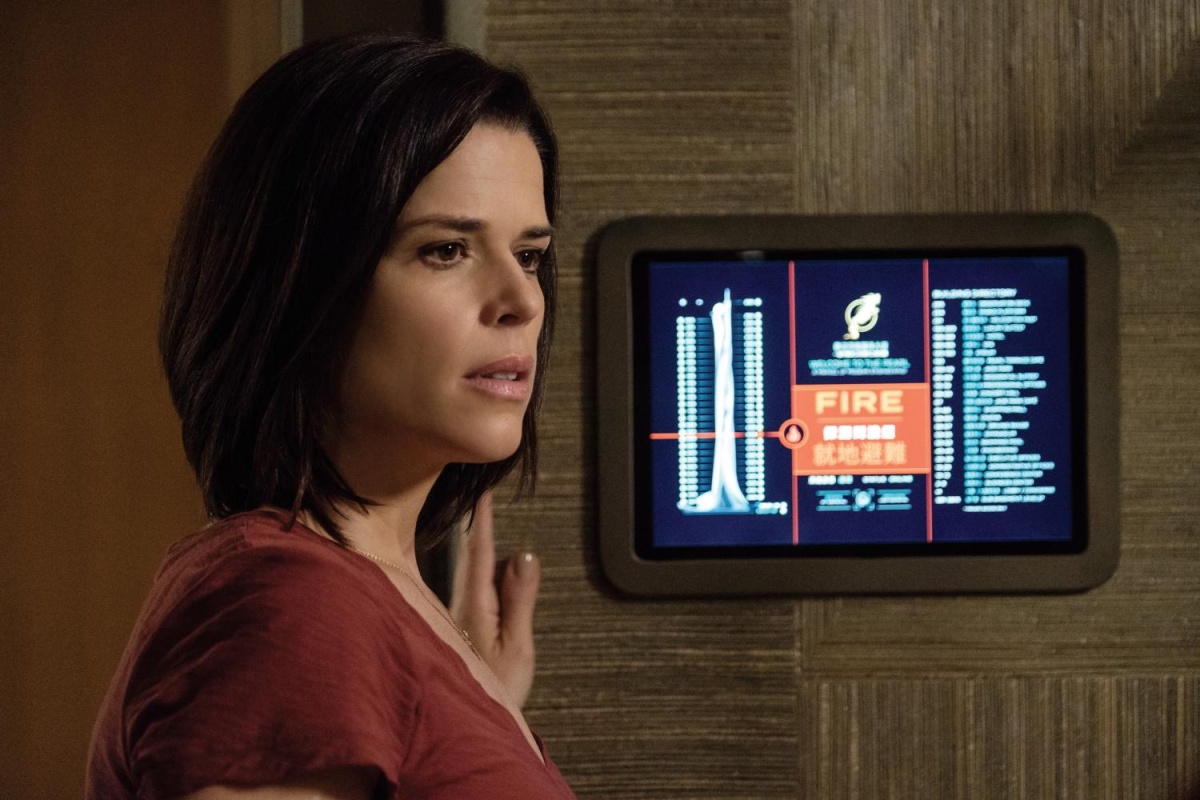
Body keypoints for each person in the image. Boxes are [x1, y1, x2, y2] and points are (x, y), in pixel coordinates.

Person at [85, 34, 577, 799]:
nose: (521, 301)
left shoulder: (352, 605)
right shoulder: (297, 603)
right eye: (447, 250)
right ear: (303, 286)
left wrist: (467, 710)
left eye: (530, 255)